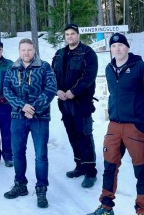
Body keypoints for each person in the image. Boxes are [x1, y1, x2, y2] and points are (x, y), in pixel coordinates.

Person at [88, 33, 144, 215]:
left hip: (135, 126)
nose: (117, 49)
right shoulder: (109, 68)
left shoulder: (141, 68)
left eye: (121, 45)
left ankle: (143, 211)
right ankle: (106, 207)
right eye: (114, 46)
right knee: (109, 167)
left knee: (140, 169)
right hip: (114, 126)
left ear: (127, 47)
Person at [3, 38, 57, 209]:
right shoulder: (12, 68)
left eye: (29, 50)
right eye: (23, 50)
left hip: (39, 118)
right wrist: (22, 106)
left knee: (41, 155)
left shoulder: (44, 67)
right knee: (18, 152)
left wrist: (33, 108)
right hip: (18, 117)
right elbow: (7, 90)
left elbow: (50, 89)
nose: (26, 53)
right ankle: (20, 185)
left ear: (34, 50)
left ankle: (41, 189)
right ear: (19, 51)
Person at [52, 22, 98, 188]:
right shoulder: (59, 54)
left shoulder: (87, 53)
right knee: (72, 136)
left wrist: (74, 91)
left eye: (72, 33)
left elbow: (89, 76)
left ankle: (90, 171)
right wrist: (57, 90)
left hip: (81, 102)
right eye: (67, 34)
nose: (70, 36)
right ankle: (79, 166)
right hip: (64, 103)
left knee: (84, 136)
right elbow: (52, 75)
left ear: (78, 35)